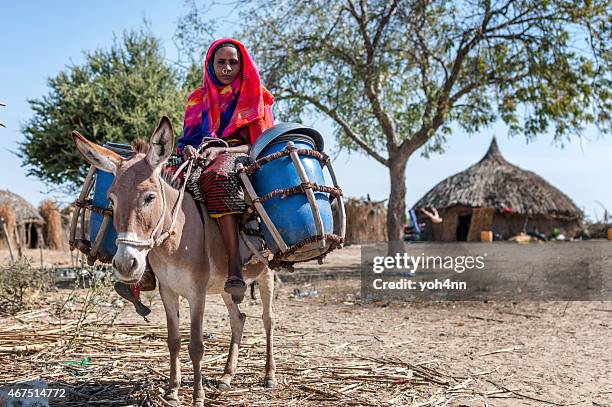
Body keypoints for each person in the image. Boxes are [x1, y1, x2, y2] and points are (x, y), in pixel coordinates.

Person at [114, 38, 274, 312]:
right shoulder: (197, 98)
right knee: (151, 185)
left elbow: (261, 143)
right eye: (220, 62)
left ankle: (234, 264)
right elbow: (188, 138)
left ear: (242, 64)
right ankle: (147, 269)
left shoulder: (255, 96)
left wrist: (222, 149)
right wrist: (187, 148)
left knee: (218, 180)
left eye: (233, 63)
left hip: (240, 156)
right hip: (199, 156)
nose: (226, 68)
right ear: (210, 65)